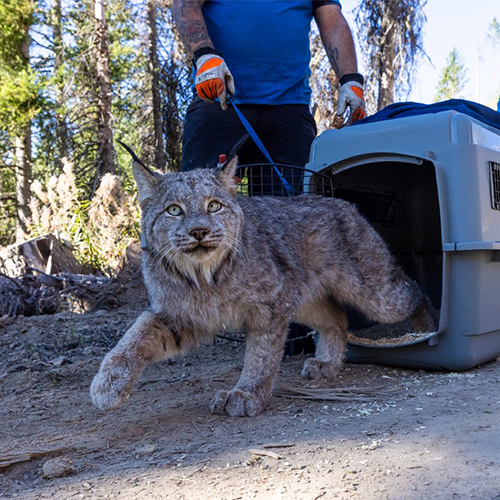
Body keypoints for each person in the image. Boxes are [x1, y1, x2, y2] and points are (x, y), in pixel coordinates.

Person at [173, 0, 366, 174]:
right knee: (201, 202)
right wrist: (204, 54)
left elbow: (332, 20)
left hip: (290, 108)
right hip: (219, 100)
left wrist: (351, 79)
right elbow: (186, 4)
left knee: (290, 209)